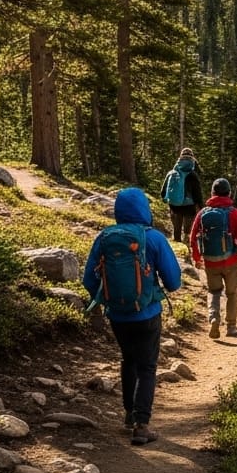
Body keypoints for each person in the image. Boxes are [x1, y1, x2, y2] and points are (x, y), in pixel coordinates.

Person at [82, 187, 182, 445]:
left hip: (117, 315)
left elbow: (88, 279)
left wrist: (108, 299)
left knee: (128, 360)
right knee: (147, 366)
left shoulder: (104, 237)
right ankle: (141, 425)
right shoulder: (154, 238)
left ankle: (129, 414)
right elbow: (173, 281)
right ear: (144, 210)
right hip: (148, 313)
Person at [189, 177, 237, 339]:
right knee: (231, 293)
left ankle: (214, 318)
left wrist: (197, 258)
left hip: (210, 261)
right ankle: (231, 327)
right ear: (229, 193)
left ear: (212, 193)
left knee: (214, 291)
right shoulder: (235, 213)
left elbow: (193, 237)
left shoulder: (203, 213)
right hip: (231, 261)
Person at [160, 147, 204, 242]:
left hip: (174, 205)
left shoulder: (172, 173)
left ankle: (176, 244)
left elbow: (163, 191)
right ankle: (186, 243)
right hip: (189, 206)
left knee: (177, 228)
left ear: (180, 158)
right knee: (187, 229)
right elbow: (197, 193)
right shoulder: (193, 174)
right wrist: (201, 206)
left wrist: (165, 199)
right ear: (192, 158)